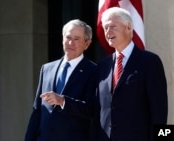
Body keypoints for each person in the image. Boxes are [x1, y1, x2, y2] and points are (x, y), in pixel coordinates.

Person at [95, 7, 168, 141]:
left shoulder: (150, 62)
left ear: (128, 27)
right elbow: (97, 109)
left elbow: (160, 112)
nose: (108, 32)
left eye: (112, 26)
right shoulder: (102, 66)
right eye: (105, 28)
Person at [25, 19, 97, 141]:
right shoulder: (47, 68)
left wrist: (63, 101)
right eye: (68, 37)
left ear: (87, 43)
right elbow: (37, 111)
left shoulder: (93, 71)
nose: (70, 42)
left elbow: (91, 109)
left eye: (76, 39)